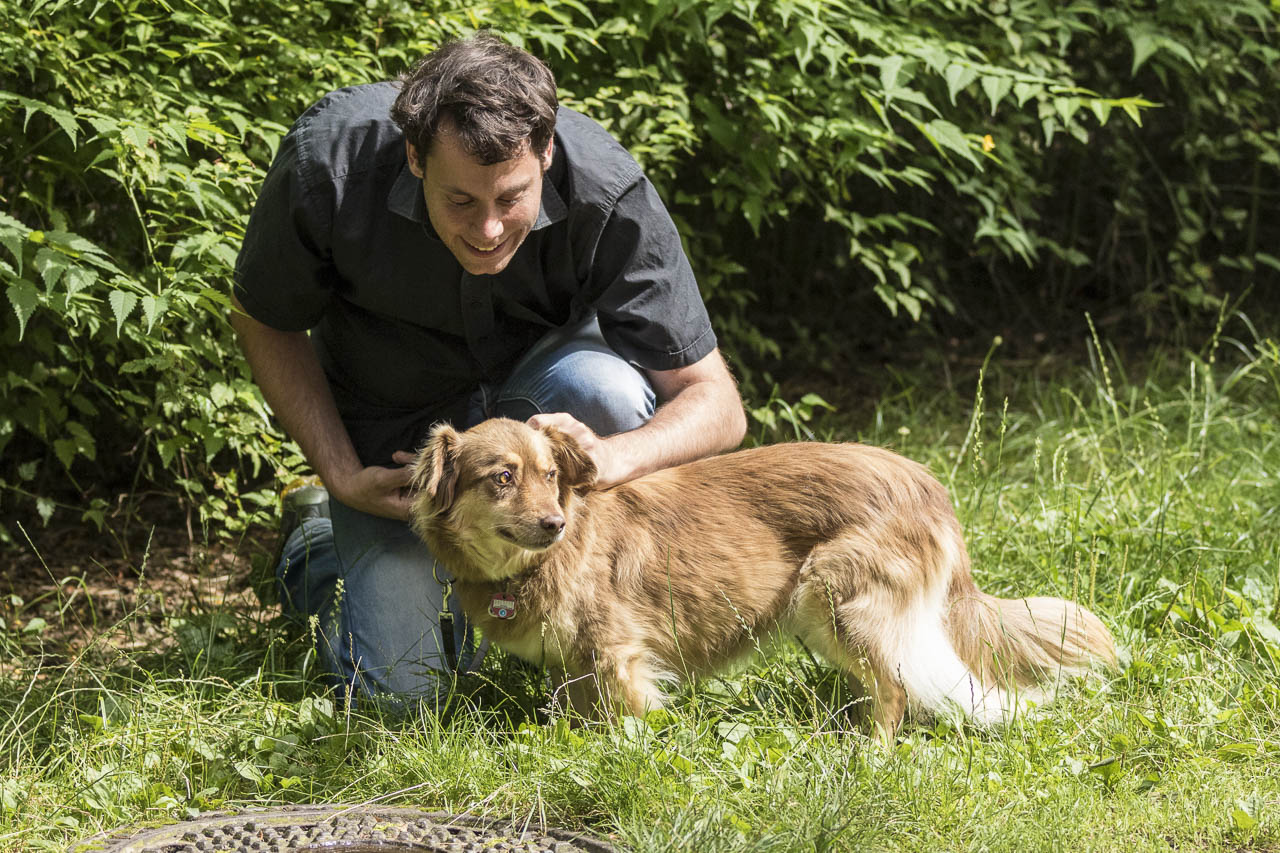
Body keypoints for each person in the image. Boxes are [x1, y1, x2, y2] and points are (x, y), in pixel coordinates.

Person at [231, 32, 746, 705]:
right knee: (403, 696)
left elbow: (716, 402)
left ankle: (582, 611)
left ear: (546, 152)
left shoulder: (605, 188)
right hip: (396, 431)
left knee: (611, 395)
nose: (489, 230)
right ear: (415, 157)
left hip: (543, 400)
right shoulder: (327, 164)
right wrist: (340, 473)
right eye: (461, 202)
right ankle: (316, 544)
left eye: (511, 199)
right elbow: (263, 318)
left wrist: (612, 456)